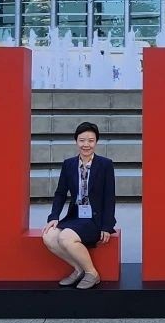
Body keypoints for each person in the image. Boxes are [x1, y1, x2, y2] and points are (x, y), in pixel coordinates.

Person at [42, 121, 116, 290]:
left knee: (65, 237)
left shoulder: (105, 164)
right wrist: (54, 216)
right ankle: (79, 269)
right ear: (76, 141)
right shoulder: (68, 164)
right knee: (48, 236)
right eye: (82, 140)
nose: (86, 144)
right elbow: (60, 193)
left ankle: (92, 273)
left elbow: (109, 197)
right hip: (75, 216)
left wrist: (107, 226)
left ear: (96, 142)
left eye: (91, 140)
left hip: (94, 219)